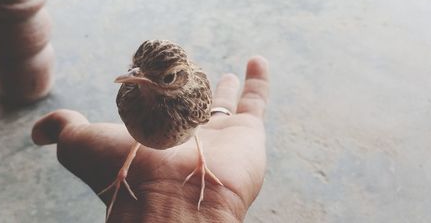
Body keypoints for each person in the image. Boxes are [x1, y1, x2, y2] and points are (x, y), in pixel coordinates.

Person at [32, 56, 270, 222]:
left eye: (165, 78)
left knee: (195, 135)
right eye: (135, 68)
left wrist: (202, 165)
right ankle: (124, 170)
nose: (133, 77)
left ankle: (201, 161)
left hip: (189, 127)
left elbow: (198, 125)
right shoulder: (128, 97)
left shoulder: (192, 104)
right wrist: (124, 171)